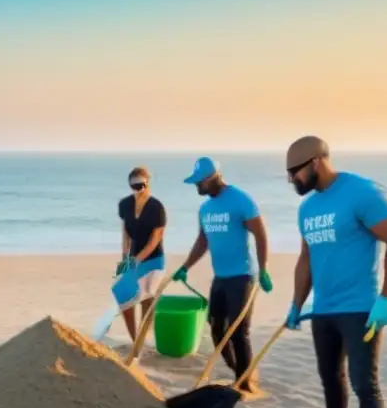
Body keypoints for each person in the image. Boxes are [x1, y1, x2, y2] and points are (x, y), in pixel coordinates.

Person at [284, 136, 387, 408]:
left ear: (316, 163)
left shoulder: (362, 193)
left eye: (294, 172)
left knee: (364, 382)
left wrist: (386, 298)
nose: (292, 179)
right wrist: (296, 304)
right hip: (324, 307)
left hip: (360, 307)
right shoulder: (307, 208)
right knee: (329, 374)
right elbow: (306, 259)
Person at [171, 157, 272, 392]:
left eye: (200, 182)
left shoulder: (241, 200)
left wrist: (264, 269)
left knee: (239, 331)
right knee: (216, 328)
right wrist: (186, 266)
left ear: (213, 178)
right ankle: (240, 370)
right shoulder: (205, 208)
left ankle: (244, 385)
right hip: (221, 277)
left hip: (242, 276)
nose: (197, 187)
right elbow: (202, 241)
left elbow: (261, 234)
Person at [116, 166, 167, 342]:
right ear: (130, 186)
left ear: (148, 183)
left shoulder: (157, 208)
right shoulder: (124, 205)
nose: (140, 190)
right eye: (135, 186)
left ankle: (139, 346)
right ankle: (135, 340)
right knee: (122, 295)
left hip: (154, 260)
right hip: (134, 258)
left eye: (143, 185)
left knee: (145, 298)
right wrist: (125, 259)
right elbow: (125, 233)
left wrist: (137, 260)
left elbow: (155, 240)